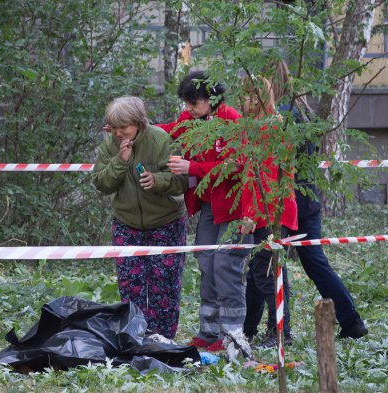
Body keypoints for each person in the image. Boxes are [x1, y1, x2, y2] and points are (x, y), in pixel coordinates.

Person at [156, 72, 255, 352]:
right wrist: (134, 126)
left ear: (211, 98)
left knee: (226, 266)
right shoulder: (191, 120)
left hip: (236, 207)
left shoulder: (232, 120)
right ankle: (208, 333)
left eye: (193, 102)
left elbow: (236, 165)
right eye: (187, 102)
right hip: (210, 206)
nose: (188, 108)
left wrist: (193, 168)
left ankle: (232, 337)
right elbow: (167, 130)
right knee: (206, 263)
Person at [269, 59, 368, 339]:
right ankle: (351, 320)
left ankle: (278, 329)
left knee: (272, 262)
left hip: (290, 199)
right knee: (314, 262)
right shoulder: (300, 110)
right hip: (306, 197)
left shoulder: (283, 116)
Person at [92, 96, 188, 339]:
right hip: (127, 225)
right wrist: (120, 161)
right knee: (130, 286)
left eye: (123, 127)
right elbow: (101, 183)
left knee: (164, 287)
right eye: (114, 128)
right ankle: (135, 337)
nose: (118, 133)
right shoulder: (110, 145)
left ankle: (162, 339)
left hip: (166, 223)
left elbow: (182, 181)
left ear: (138, 122)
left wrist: (158, 181)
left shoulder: (160, 139)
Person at [238, 76, 298, 348]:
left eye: (250, 97)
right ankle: (251, 329)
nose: (245, 102)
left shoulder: (270, 128)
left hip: (271, 212)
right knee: (258, 274)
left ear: (260, 98)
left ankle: (280, 333)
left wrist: (252, 214)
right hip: (264, 211)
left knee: (266, 275)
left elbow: (266, 178)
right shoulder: (255, 127)